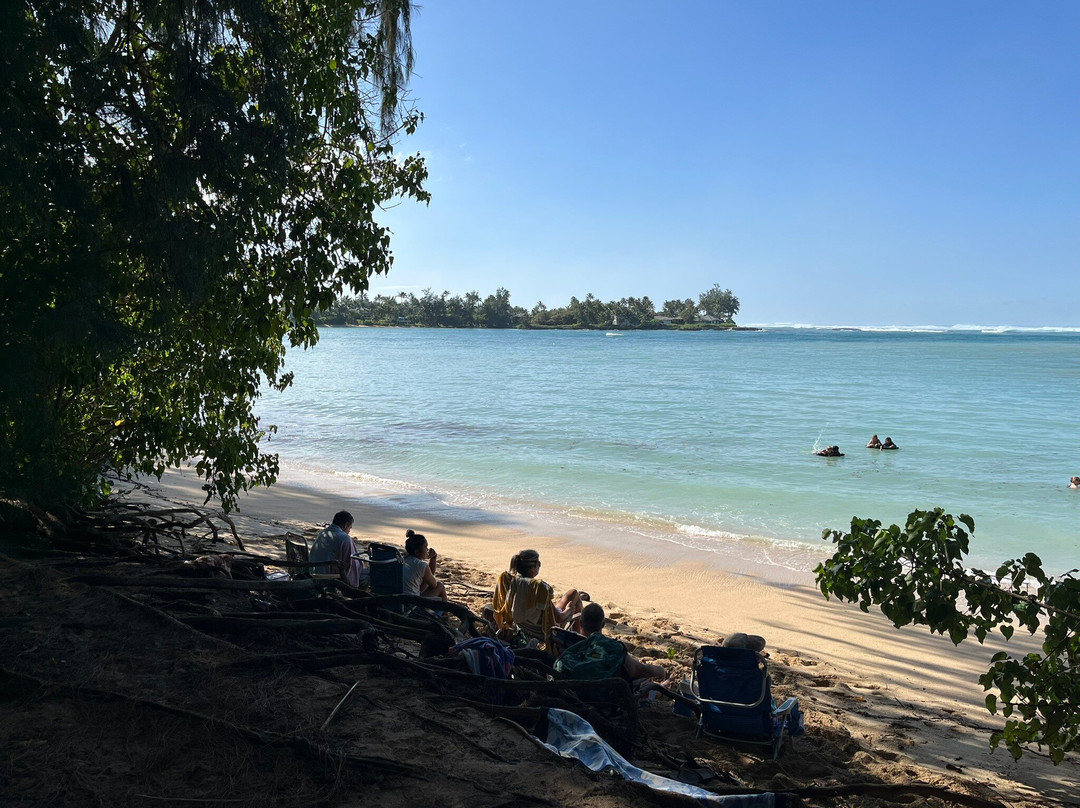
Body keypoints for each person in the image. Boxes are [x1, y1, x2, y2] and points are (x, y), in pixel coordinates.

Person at [491, 549, 584, 639]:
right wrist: (569, 610)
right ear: (532, 568)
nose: (539, 566)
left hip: (524, 627)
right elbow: (559, 618)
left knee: (574, 597)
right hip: (546, 630)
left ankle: (580, 637)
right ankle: (579, 639)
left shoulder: (511, 582)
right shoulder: (538, 588)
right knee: (574, 596)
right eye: (538, 564)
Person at [579, 602, 667, 684]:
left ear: (580, 623)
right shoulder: (612, 648)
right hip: (604, 695)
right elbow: (638, 669)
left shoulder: (570, 643)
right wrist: (659, 670)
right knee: (645, 680)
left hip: (574, 693)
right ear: (603, 625)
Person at [308, 510, 366, 588]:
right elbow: (351, 564)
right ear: (346, 525)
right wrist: (362, 564)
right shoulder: (345, 538)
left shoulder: (323, 533)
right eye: (350, 528)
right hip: (329, 576)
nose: (349, 531)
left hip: (313, 572)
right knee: (368, 573)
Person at [403, 529, 447, 601]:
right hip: (412, 601)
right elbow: (433, 585)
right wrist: (433, 559)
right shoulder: (421, 565)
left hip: (397, 598)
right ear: (417, 552)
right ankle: (445, 612)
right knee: (440, 586)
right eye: (425, 547)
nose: (427, 550)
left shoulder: (402, 559)